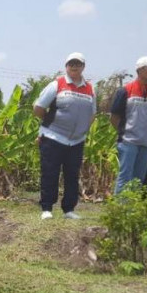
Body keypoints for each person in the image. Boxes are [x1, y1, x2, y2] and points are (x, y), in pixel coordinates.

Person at [33, 52, 96, 220]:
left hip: (76, 140)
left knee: (72, 175)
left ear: (83, 67)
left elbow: (92, 114)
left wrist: (82, 130)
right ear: (66, 66)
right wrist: (51, 122)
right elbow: (38, 108)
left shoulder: (89, 88)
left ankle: (69, 209)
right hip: (53, 137)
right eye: (71, 64)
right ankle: (46, 208)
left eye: (78, 64)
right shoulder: (57, 84)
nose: (74, 66)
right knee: (50, 173)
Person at [110, 56, 147, 194]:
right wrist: (125, 133)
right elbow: (114, 117)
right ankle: (120, 209)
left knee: (139, 178)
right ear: (140, 70)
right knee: (125, 176)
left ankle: (133, 210)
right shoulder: (125, 90)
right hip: (128, 142)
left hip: (146, 142)